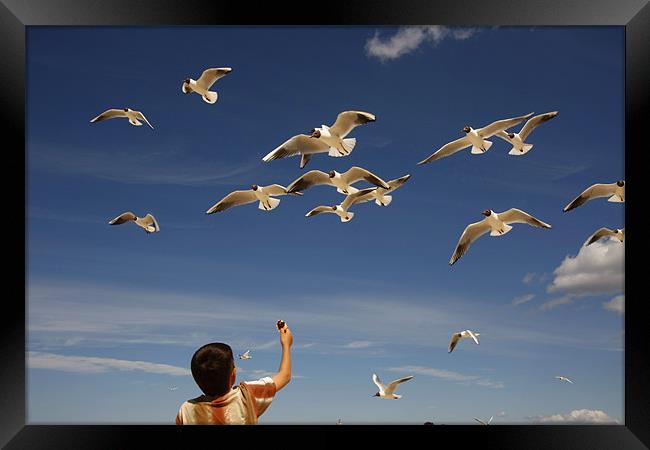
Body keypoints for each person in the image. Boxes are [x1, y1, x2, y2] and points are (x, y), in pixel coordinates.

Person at [175, 320, 293, 425]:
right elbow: (285, 376)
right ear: (233, 374)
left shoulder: (186, 410)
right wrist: (286, 344)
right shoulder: (247, 396)